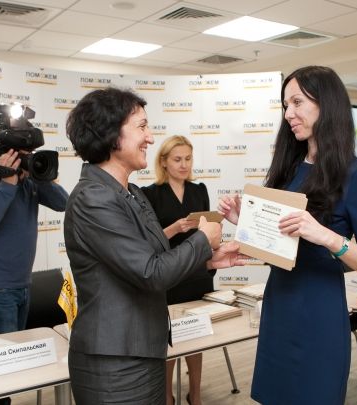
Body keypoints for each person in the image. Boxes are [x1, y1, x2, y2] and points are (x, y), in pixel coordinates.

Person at [63, 87, 245, 405]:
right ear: (111, 134)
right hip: (114, 366)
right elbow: (151, 273)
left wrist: (208, 260)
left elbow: (156, 261)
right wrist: (203, 239)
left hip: (143, 352)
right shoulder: (94, 197)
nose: (150, 137)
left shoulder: (131, 193)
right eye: (142, 126)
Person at [219, 65, 357, 404]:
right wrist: (247, 223)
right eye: (285, 105)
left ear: (327, 104)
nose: (288, 114)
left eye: (297, 102)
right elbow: (282, 242)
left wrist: (325, 236)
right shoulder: (289, 166)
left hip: (318, 311)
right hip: (279, 303)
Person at [0, 149, 68, 405]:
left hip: (20, 285)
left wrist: (39, 175)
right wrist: (7, 183)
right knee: (1, 374)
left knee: (9, 368)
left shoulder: (30, 182)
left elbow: (63, 202)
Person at [142, 135, 214, 405]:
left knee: (197, 336)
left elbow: (208, 233)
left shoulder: (199, 190)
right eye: (177, 159)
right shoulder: (150, 194)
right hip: (168, 275)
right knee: (169, 340)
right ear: (163, 161)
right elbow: (147, 242)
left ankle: (195, 395)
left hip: (197, 275)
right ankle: (167, 398)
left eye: (188, 159)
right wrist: (174, 228)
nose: (184, 165)